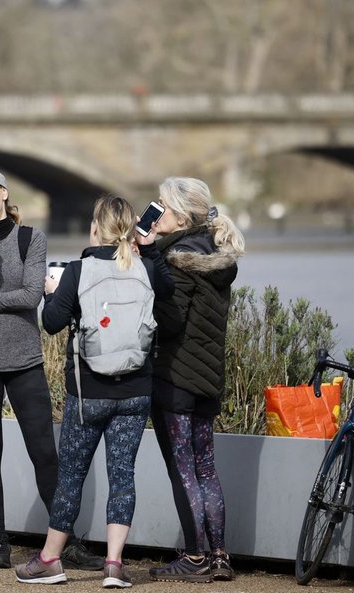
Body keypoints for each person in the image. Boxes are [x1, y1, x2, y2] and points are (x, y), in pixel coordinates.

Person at [0, 165, 101, 571]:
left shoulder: (31, 238)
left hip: (24, 360)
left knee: (45, 454)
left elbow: (31, 296)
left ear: (3, 192)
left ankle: (67, 543)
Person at [14, 194, 175, 588]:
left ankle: (51, 558)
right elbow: (169, 298)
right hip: (136, 391)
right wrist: (150, 252)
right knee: (123, 475)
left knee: (71, 476)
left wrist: (52, 291)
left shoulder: (77, 270)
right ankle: (114, 565)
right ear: (131, 230)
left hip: (88, 395)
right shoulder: (146, 268)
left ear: (94, 228)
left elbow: (51, 324)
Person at [146, 177, 244, 583]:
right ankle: (219, 555)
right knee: (206, 467)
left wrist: (150, 263)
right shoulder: (214, 255)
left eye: (163, 208)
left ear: (182, 216)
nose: (156, 213)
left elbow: (170, 322)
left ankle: (195, 557)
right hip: (208, 378)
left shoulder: (177, 260)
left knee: (183, 468)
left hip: (176, 377)